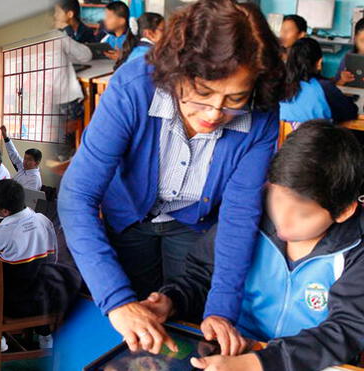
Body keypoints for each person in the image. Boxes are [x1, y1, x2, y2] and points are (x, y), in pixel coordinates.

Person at [58, 0, 284, 354]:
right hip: (128, 217)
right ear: (177, 69)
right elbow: (77, 196)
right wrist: (117, 302)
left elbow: (239, 215)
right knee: (129, 330)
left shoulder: (262, 115)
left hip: (195, 225)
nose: (213, 114)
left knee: (186, 321)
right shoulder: (133, 87)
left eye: (235, 99)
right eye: (203, 93)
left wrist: (221, 311)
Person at [139, 121, 364, 371]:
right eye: (277, 198)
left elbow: (346, 331)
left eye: (303, 214)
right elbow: (201, 276)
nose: (283, 220)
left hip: (310, 364)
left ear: (343, 211)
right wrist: (172, 300)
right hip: (234, 350)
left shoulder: (356, 250)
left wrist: (255, 364)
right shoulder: (248, 216)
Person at [0, 179, 81, 351]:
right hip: (47, 299)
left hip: (15, 306)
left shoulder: (3, 232)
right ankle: (45, 335)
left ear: (5, 211)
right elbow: (55, 257)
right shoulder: (44, 221)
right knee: (34, 277)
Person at [281, 38, 358, 125]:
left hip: (287, 137)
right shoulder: (324, 87)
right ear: (319, 63)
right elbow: (351, 112)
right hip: (317, 137)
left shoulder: (280, 86)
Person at [0, 125, 42, 191]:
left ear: (36, 163)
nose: (25, 161)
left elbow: (24, 197)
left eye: (29, 159)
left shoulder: (34, 179)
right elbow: (14, 154)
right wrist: (5, 137)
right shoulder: (24, 167)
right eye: (25, 158)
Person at [335, 18, 364, 86]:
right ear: (355, 39)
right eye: (363, 41)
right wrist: (342, 80)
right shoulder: (348, 57)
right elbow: (336, 88)